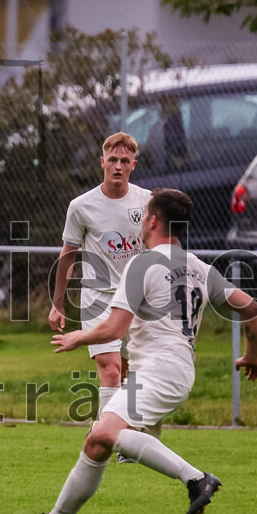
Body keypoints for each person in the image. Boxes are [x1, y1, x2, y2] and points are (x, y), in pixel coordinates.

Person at [15, 189, 257, 514]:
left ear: (151, 220)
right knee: (98, 440)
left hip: (160, 371)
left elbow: (114, 329)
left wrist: (79, 336)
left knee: (104, 433)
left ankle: (195, 478)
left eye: (144, 213)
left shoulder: (143, 263)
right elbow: (251, 309)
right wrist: (251, 356)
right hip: (175, 370)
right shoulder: (199, 268)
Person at [49, 132, 154, 460]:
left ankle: (122, 432)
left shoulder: (148, 201)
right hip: (98, 297)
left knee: (129, 370)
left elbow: (158, 247)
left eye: (125, 161)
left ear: (133, 165)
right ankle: (111, 440)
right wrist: (57, 303)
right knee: (110, 369)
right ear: (102, 163)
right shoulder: (81, 206)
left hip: (137, 298)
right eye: (113, 160)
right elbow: (67, 254)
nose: (118, 166)